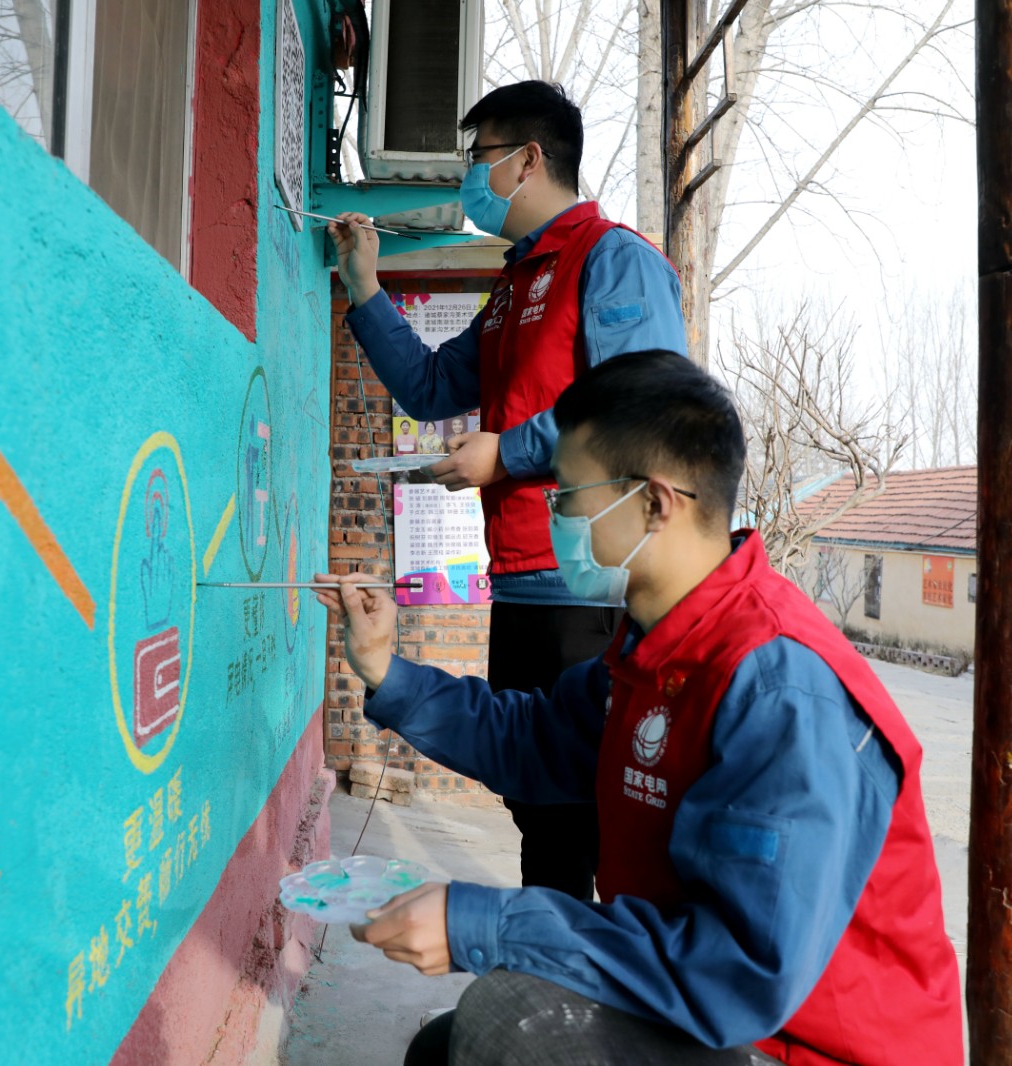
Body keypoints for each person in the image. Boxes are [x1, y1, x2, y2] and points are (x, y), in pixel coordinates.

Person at [313, 353, 963, 1066]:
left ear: (654, 503)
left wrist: (487, 923)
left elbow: (738, 971)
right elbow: (535, 740)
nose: (552, 514)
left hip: (798, 1043)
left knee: (510, 1017)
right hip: (721, 1012)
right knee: (446, 1047)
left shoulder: (778, 689)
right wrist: (383, 667)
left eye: (566, 494)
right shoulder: (656, 648)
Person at [330, 80, 686, 900]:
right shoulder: (510, 287)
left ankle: (596, 998)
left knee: (594, 815)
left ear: (528, 160)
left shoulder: (613, 260)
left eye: (477, 158)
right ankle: (547, 996)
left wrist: (509, 454)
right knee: (538, 806)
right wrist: (364, 286)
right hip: (522, 586)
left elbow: (645, 403)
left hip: (593, 588)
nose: (468, 176)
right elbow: (426, 386)